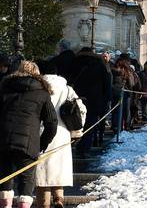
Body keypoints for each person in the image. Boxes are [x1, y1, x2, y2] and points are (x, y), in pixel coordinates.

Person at [0, 61, 58, 208]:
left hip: (4, 140)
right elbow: (51, 122)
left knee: (5, 180)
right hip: (28, 143)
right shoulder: (42, 92)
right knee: (26, 184)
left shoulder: (5, 88)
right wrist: (42, 143)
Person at [35, 60, 87, 208]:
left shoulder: (38, 87)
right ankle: (59, 199)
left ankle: (43, 204)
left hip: (42, 132)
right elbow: (81, 109)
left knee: (43, 177)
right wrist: (77, 130)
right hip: (63, 133)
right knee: (58, 173)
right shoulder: (67, 89)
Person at [71, 47, 110, 154]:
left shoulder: (74, 63)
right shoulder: (99, 64)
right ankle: (84, 147)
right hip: (94, 99)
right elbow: (106, 83)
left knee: (74, 121)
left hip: (75, 97)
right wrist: (106, 99)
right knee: (90, 124)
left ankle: (72, 144)